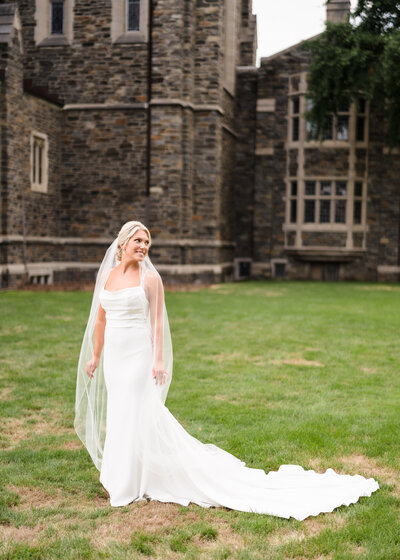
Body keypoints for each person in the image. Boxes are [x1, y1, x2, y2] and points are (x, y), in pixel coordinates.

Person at [75, 220, 379, 520]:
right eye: (138, 241)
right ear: (123, 243)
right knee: (121, 411)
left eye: (147, 242)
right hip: (115, 357)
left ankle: (131, 481)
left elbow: (157, 323)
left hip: (138, 355)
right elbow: (101, 319)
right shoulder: (110, 276)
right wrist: (96, 355)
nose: (144, 247)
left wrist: (158, 359)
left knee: (137, 410)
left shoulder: (150, 279)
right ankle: (122, 474)